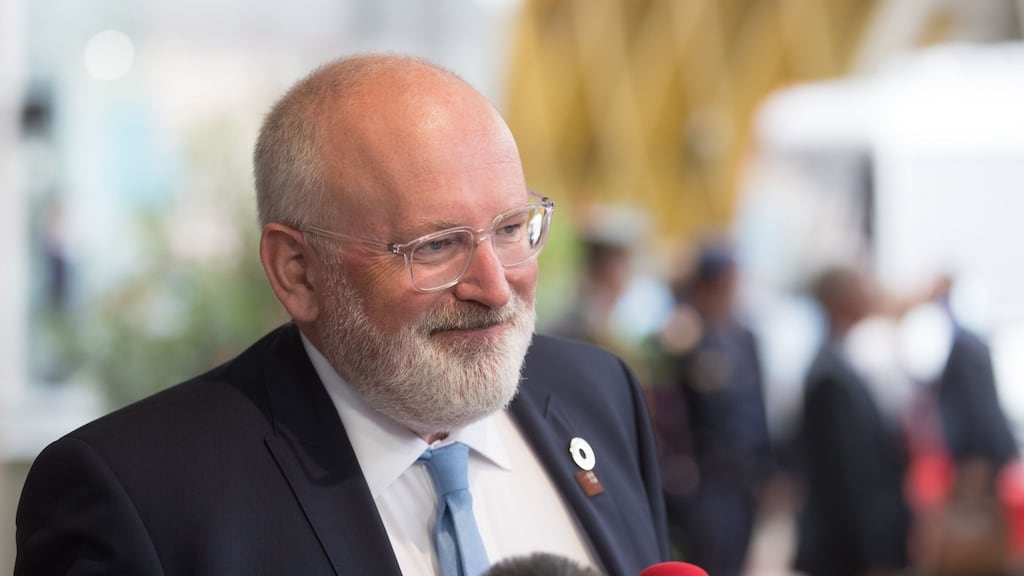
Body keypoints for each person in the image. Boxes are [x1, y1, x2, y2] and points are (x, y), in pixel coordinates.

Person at [15, 54, 668, 576]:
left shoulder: (597, 394)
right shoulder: (140, 495)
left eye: (509, 227)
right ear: (297, 271)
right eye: (435, 246)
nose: (496, 288)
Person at [649, 242, 773, 576]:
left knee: (737, 561)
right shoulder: (685, 333)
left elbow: (757, 407)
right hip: (706, 478)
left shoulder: (744, 336)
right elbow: (665, 403)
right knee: (708, 562)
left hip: (743, 477)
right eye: (721, 282)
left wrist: (769, 469)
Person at [794, 265, 911, 576]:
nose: (870, 292)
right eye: (862, 285)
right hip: (845, 552)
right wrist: (872, 552)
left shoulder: (840, 358)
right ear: (839, 299)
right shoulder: (830, 373)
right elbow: (848, 475)